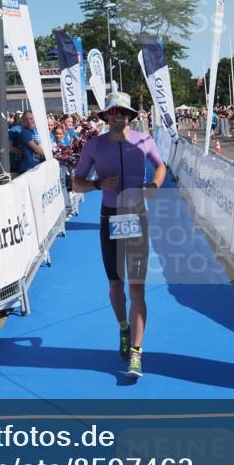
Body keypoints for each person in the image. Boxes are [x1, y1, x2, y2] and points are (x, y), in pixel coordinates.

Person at [72, 92, 166, 379]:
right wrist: (98, 183)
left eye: (124, 112)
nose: (119, 116)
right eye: (114, 112)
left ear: (130, 116)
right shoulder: (94, 145)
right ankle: (124, 328)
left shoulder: (143, 140)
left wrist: (153, 185)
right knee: (116, 286)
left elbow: (161, 166)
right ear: (106, 116)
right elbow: (77, 183)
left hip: (136, 216)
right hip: (110, 217)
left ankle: (136, 354)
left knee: (137, 289)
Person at [18, 110, 46, 174]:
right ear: (23, 121)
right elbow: (35, 148)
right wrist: (51, 154)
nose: (29, 121)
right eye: (26, 119)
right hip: (28, 167)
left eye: (31, 118)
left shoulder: (38, 130)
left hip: (39, 165)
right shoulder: (25, 132)